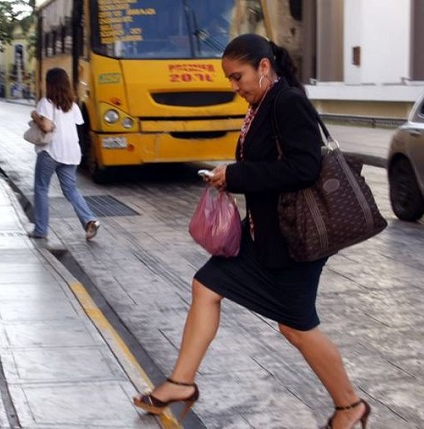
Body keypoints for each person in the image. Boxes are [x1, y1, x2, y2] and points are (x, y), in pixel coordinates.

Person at [132, 34, 371, 429]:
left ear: (263, 67)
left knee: (296, 326)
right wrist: (230, 176)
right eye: (229, 79)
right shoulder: (263, 105)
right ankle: (181, 383)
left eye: (237, 76)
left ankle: (350, 406)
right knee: (206, 286)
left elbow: (304, 167)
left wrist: (237, 175)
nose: (234, 86)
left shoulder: (287, 102)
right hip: (264, 232)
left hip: (296, 239)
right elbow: (271, 163)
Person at [28, 68, 100, 241]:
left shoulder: (47, 102)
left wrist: (35, 116)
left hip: (51, 151)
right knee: (71, 190)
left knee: (41, 188)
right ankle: (89, 219)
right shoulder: (73, 105)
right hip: (71, 152)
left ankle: (40, 230)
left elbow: (45, 126)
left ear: (50, 83)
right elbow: (78, 124)